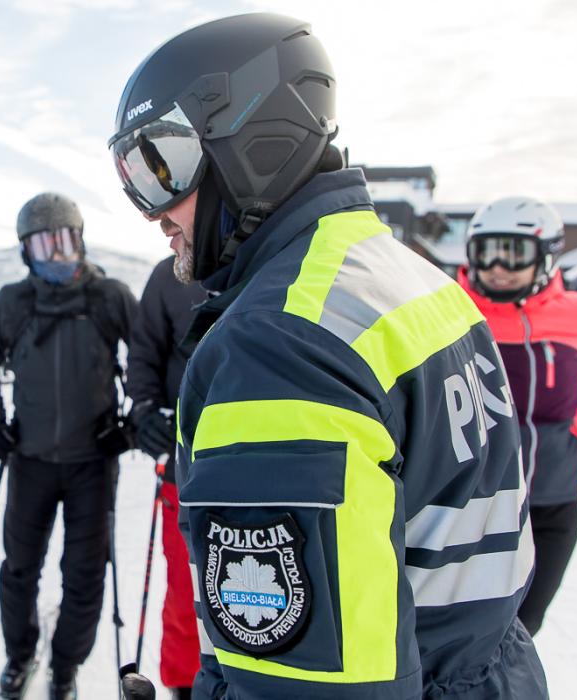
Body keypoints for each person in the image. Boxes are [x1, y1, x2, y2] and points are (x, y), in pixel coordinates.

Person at [108, 13, 546, 699]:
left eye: (162, 167)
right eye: (134, 176)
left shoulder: (278, 344)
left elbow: (314, 684)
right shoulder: (415, 280)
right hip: (488, 672)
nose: (151, 210)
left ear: (251, 143)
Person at [0, 192, 138, 700]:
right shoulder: (11, 304)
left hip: (93, 462)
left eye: (66, 240)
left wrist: (130, 428)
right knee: (19, 568)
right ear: (26, 252)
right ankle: (20, 655)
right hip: (31, 460)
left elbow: (150, 362)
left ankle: (65, 665)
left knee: (84, 574)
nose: (58, 254)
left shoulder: (109, 298)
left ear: (82, 240)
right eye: (44, 245)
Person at [459, 196, 577, 636]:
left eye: (514, 252)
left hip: (553, 500)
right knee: (470, 632)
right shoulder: (450, 311)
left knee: (525, 625)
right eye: (486, 252)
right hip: (475, 505)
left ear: (546, 255)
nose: (497, 266)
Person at [126, 255, 206, 698]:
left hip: (266, 461)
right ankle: (184, 684)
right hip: (185, 467)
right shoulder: (169, 275)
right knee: (185, 587)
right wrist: (144, 412)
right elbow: (143, 356)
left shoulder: (274, 260)